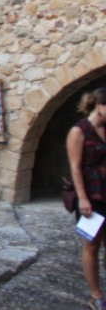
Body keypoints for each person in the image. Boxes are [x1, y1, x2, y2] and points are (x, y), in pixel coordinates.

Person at [67, 87, 106, 310]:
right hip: (91, 196)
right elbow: (75, 167)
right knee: (91, 245)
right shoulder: (78, 131)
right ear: (100, 106)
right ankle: (96, 294)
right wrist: (82, 199)